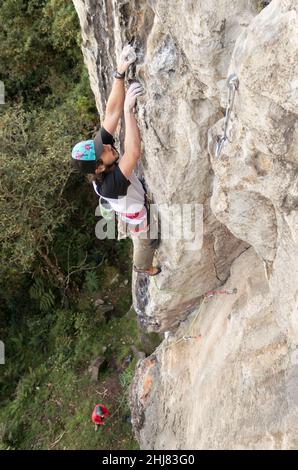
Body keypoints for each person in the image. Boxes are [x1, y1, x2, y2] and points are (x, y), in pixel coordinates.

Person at [71, 45, 161, 276]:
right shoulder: (109, 186)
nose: (108, 145)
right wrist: (129, 112)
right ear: (99, 166)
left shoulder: (101, 158)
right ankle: (143, 269)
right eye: (103, 150)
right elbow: (132, 153)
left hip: (134, 195)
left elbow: (111, 114)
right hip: (139, 216)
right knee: (148, 240)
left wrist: (120, 71)